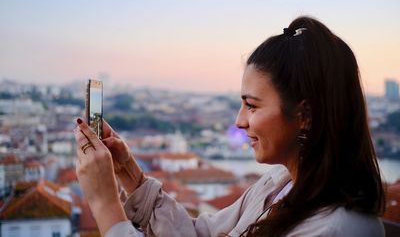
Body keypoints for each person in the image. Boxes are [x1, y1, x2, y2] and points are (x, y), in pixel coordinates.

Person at [74, 16, 385, 237]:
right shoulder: (277, 186)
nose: (239, 121)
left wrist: (105, 204)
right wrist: (129, 172)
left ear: (305, 115)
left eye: (252, 105)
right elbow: (200, 234)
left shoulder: (333, 229)